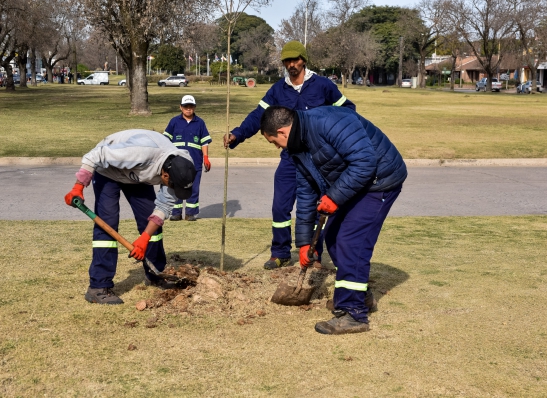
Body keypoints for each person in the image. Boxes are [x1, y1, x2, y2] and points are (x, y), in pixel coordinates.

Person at [260, 106, 407, 335]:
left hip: (379, 181)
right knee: (335, 239)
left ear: (282, 132)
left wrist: (334, 197)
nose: (277, 147)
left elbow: (365, 162)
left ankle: (353, 313)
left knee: (351, 242)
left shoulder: (329, 122)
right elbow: (306, 192)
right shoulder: (297, 148)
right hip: (354, 183)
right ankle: (361, 295)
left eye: (274, 142)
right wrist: (305, 243)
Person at [223, 40, 356, 270]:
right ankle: (280, 253)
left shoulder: (323, 85)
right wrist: (237, 135)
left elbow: (348, 111)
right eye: (287, 61)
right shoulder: (278, 89)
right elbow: (258, 116)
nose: (291, 64)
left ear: (304, 60)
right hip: (290, 158)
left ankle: (314, 255)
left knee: (317, 209)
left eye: (295, 60)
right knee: (280, 207)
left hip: (318, 160)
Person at [64, 129, 197, 305]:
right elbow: (94, 156)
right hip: (108, 171)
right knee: (108, 225)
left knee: (151, 226)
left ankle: (155, 273)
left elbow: (163, 207)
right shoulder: (140, 153)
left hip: (138, 177)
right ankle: (98, 287)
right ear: (165, 175)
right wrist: (78, 186)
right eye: (172, 186)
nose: (175, 191)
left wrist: (145, 237)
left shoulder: (183, 167)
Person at [163, 95, 211, 221]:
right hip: (176, 163)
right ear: (181, 107)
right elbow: (165, 140)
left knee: (193, 187)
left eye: (191, 107)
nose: (188, 109)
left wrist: (206, 157)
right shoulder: (174, 121)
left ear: (194, 108)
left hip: (195, 162)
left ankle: (191, 213)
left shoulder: (200, 123)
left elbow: (204, 142)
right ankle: (176, 213)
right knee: (175, 186)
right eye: (186, 107)